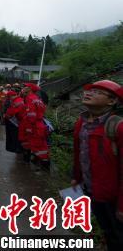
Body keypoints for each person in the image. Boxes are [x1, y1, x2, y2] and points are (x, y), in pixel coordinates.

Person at [71, 80, 123, 250]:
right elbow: (79, 152)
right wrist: (76, 177)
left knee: (118, 236)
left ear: (112, 101)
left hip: (114, 197)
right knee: (108, 231)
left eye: (98, 92)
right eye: (90, 90)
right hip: (91, 190)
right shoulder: (82, 122)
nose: (89, 93)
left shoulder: (118, 127)